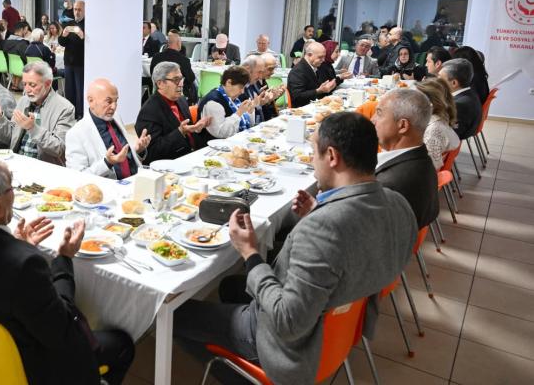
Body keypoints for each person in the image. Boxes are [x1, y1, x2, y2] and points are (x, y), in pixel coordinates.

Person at [173, 112, 417, 385]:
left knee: (174, 315)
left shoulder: (323, 229)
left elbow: (287, 321)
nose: (312, 162)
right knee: (230, 286)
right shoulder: (398, 204)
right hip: (341, 325)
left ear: (332, 156)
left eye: (314, 152)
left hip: (289, 340)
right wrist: (318, 212)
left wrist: (250, 254)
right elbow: (354, 243)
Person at [0, 153, 135, 385]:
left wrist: (15, 246)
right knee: (122, 344)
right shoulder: (23, 265)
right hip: (25, 367)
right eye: (10, 187)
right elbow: (61, 331)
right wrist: (63, 259)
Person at [372, 89, 439, 229]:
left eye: (379, 113)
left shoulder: (387, 186)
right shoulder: (423, 159)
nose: (373, 120)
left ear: (402, 125)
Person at [0, 61, 74, 165]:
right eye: (24, 84)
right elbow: (10, 138)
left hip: (43, 166)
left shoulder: (65, 108)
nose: (27, 90)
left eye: (32, 85)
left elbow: (59, 148)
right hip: (17, 161)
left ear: (48, 83)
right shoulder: (24, 101)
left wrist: (33, 128)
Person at [66, 79, 150, 179]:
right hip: (111, 186)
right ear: (91, 101)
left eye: (116, 101)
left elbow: (125, 157)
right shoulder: (76, 134)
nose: (114, 107)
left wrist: (138, 150)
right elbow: (77, 177)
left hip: (137, 180)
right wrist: (107, 163)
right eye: (108, 101)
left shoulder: (116, 117)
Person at [135, 61, 210, 164]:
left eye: (181, 79)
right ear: (160, 83)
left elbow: (190, 135)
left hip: (192, 156)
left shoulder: (181, 100)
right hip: (172, 163)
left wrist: (197, 129)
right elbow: (152, 153)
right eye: (176, 80)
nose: (181, 84)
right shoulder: (149, 111)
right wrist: (180, 132)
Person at [198, 66, 259, 139]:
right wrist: (239, 113)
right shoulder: (213, 102)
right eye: (241, 87)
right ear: (229, 82)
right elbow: (221, 134)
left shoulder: (233, 97)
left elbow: (250, 125)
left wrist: (250, 110)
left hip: (235, 140)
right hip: (215, 144)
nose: (242, 92)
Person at [416, 78, 461, 170]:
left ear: (430, 104)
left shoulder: (434, 132)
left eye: (416, 98)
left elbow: (428, 168)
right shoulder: (443, 116)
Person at [287, 42, 348, 108]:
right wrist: (318, 91)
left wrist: (327, 88)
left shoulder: (315, 66)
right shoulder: (298, 71)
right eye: (320, 57)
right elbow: (297, 96)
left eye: (324, 57)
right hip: (303, 108)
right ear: (309, 55)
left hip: (315, 105)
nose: (323, 60)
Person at [439, 58, 482, 140]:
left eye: (440, 78)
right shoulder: (469, 93)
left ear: (454, 83)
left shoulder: (459, 106)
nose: (436, 80)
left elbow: (443, 138)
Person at [150, 30, 197, 103]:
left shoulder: (156, 57)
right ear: (178, 43)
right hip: (176, 96)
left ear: (168, 43)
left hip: (159, 94)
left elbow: (152, 74)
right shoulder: (183, 60)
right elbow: (191, 78)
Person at [59, 0, 85, 119]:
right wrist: (63, 35)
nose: (77, 12)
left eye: (79, 9)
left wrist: (82, 36)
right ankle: (70, 112)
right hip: (68, 61)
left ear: (84, 11)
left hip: (80, 62)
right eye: (75, 9)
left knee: (80, 90)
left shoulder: (88, 24)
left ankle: (79, 113)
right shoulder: (69, 24)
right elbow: (62, 42)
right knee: (69, 89)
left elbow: (89, 45)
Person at [240, 55, 283, 124]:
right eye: (259, 72)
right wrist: (259, 103)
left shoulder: (252, 82)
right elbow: (241, 116)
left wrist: (267, 100)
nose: (260, 76)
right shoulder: (238, 87)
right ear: (248, 69)